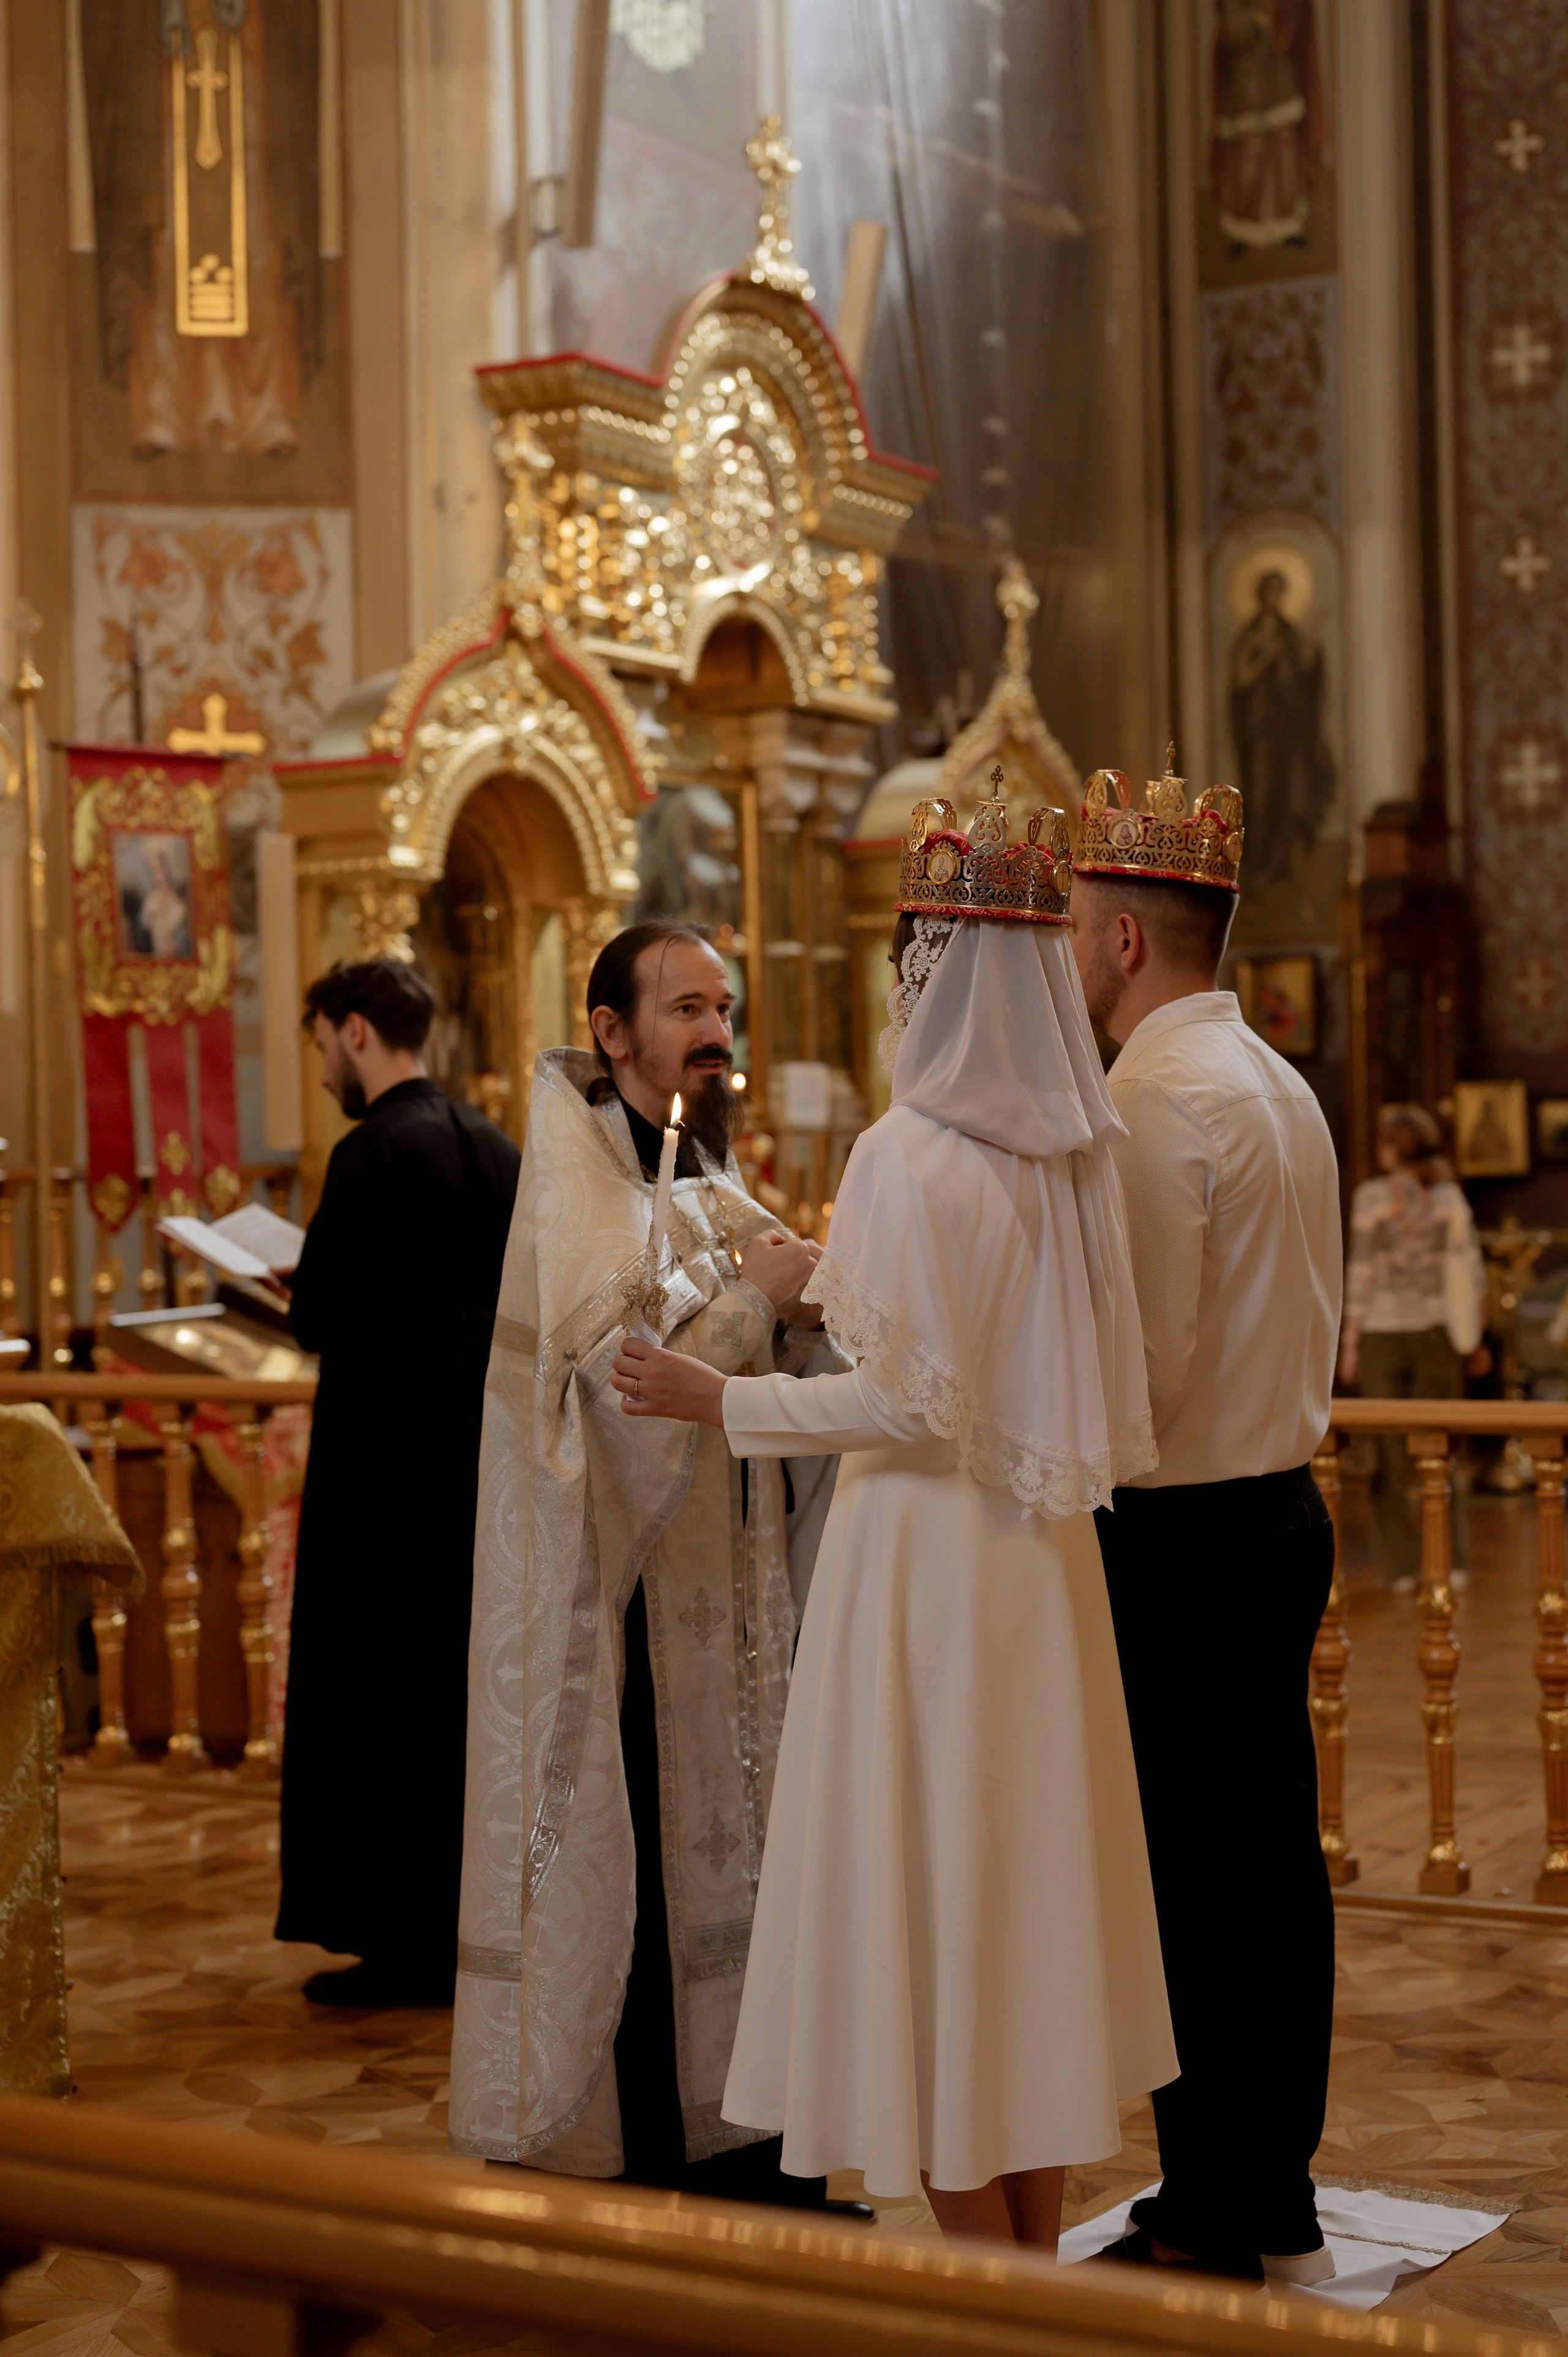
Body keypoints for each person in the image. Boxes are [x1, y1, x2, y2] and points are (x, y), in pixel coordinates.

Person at [612, 781, 1177, 2250]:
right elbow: (998, 1371)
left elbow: (907, 1407)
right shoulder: (1063, 1151)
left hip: (917, 1570)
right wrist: (826, 1280)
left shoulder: (906, 1151)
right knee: (1013, 1940)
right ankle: (1028, 2277)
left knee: (929, 1965)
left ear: (934, 970)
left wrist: (709, 1397)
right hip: (1034, 1570)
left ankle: (991, 2312)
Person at [449, 920, 845, 2210]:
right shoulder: (566, 1198)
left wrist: (820, 1312)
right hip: (625, 1616)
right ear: (612, 1032)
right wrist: (751, 1305)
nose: (713, 1032)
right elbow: (606, 1411)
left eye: (721, 1005)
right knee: (661, 1862)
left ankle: (755, 2127)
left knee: (748, 1846)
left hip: (737, 1604)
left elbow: (795, 1348)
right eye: (684, 1007)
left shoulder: (715, 1189)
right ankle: (661, 2141)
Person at [1069, 755, 1341, 2287]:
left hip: (1178, 1531)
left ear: (1122, 941)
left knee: (1190, 1869)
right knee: (1263, 1860)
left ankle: (1207, 2196)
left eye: (1078, 921)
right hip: (1274, 1508)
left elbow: (1139, 1366)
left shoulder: (1152, 1095)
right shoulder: (1274, 1079)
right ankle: (1268, 2175)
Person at [276, 957, 521, 2008]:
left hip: (382, 1485)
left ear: (356, 1033)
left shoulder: (371, 1148)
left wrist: (295, 1286)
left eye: (324, 1039)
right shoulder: (493, 1143)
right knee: (455, 1702)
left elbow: (324, 1313)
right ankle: (463, 1926)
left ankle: (400, 1936)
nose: (326, 1061)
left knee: (381, 1705)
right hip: (473, 1472)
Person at [1340, 1103, 1489, 1593]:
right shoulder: (1446, 1196)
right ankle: (1452, 1563)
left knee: (1395, 1452)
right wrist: (1476, 1337)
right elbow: (1473, 1275)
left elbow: (1362, 1272)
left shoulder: (1376, 1197)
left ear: (1393, 1147)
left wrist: (1351, 1344)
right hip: (1434, 1334)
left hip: (1388, 1334)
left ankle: (1400, 1569)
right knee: (1439, 1449)